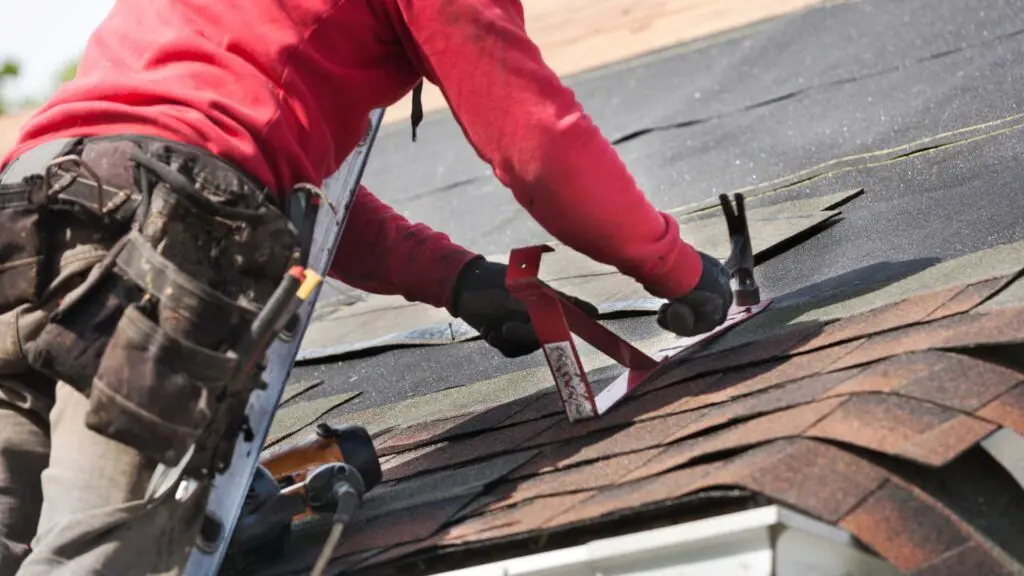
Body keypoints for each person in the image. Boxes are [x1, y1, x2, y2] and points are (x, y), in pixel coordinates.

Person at [0, 0, 734, 573]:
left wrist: (455, 279)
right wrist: (675, 267)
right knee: (101, 551)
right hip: (170, 242)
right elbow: (536, 144)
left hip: (30, 209)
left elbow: (245, 173)